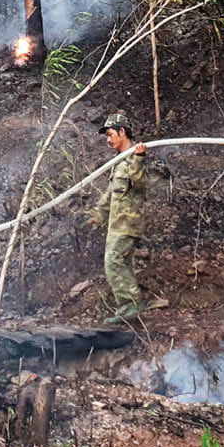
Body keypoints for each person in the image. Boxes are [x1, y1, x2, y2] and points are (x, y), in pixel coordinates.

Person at [88, 113, 148, 323]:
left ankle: (131, 305)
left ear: (123, 132)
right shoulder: (119, 162)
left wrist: (139, 159)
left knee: (112, 260)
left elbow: (140, 185)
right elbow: (112, 192)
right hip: (117, 224)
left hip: (128, 223)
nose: (108, 139)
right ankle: (129, 307)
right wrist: (99, 214)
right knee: (121, 263)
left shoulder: (135, 158)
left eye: (111, 134)